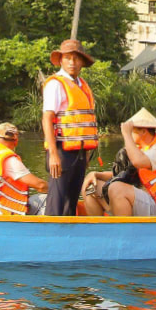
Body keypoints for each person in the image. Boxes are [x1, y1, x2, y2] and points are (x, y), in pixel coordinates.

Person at [82, 108, 156, 216]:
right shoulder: (140, 149)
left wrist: (126, 134)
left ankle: (124, 231)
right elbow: (120, 176)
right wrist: (95, 174)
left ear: (143, 131)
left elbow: (137, 161)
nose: (130, 134)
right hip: (143, 203)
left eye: (132, 131)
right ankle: (100, 231)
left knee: (117, 188)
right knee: (90, 187)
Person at [41, 39, 99, 216]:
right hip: (61, 151)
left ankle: (66, 240)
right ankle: (51, 237)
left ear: (82, 62)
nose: (72, 62)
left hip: (80, 153)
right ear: (61, 61)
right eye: (67, 58)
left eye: (76, 58)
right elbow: (47, 118)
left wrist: (87, 153)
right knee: (57, 202)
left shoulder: (82, 85)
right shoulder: (56, 84)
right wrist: (53, 155)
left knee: (71, 201)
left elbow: (84, 124)